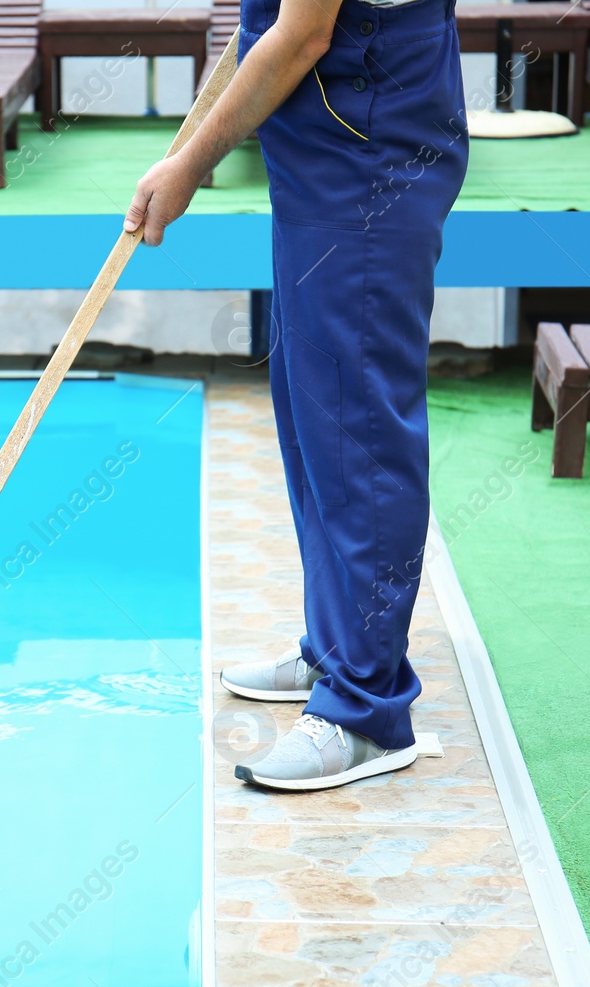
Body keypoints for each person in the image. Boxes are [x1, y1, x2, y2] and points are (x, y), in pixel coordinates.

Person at [125, 0, 468, 790]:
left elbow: (303, 34)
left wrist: (189, 166)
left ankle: (366, 708)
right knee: (313, 408)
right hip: (322, 148)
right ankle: (336, 646)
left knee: (359, 431)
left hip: (370, 152)